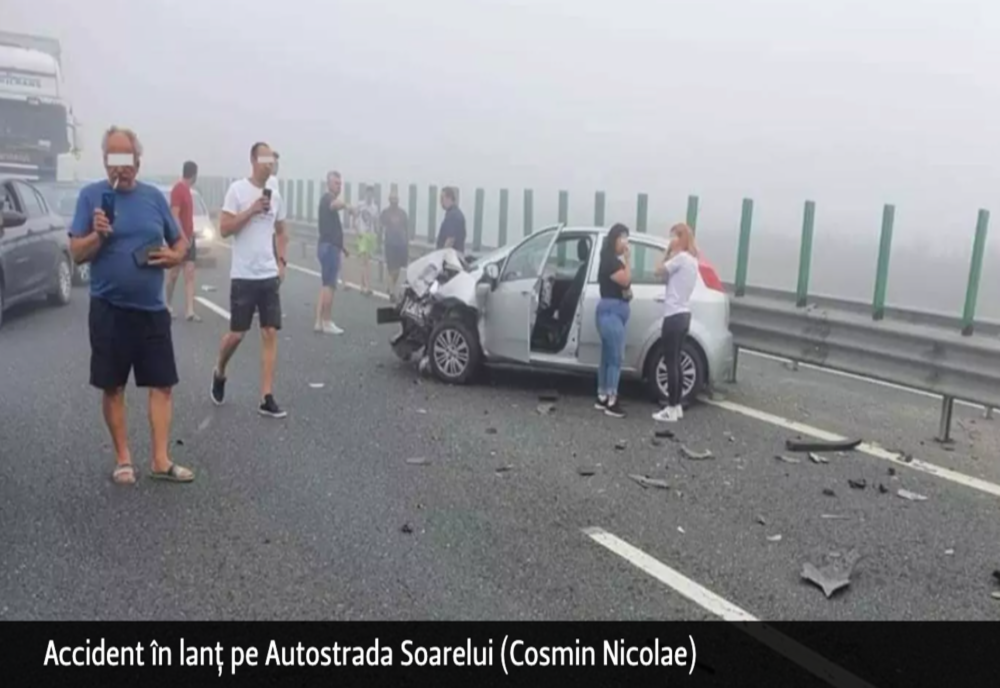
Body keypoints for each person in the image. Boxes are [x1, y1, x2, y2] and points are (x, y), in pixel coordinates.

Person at [68, 125, 194, 485]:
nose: (119, 168)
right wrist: (99, 235)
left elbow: (181, 242)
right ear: (105, 161)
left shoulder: (154, 197)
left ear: (137, 162)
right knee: (113, 386)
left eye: (126, 160)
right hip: (108, 308)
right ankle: (124, 458)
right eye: (112, 159)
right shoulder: (90, 197)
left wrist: (173, 256)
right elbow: (76, 254)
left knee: (163, 384)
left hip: (152, 310)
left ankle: (160, 459)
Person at [211, 142, 289, 418]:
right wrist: (252, 210)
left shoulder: (276, 196)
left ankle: (266, 396)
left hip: (268, 274)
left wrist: (281, 261)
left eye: (273, 160)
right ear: (254, 160)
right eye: (265, 159)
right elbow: (224, 229)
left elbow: (281, 231)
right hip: (243, 275)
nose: (270, 164)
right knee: (238, 334)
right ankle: (220, 369)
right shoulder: (237, 191)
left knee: (270, 332)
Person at [652, 223, 699, 423]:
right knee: (676, 362)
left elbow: (658, 271)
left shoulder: (679, 258)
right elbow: (669, 279)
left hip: (673, 316)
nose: (671, 241)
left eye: (673, 237)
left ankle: (670, 408)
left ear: (680, 238)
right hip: (684, 315)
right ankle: (677, 405)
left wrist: (666, 252)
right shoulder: (692, 261)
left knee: (670, 362)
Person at [595, 223, 632, 418]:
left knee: (608, 356)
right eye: (622, 238)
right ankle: (612, 398)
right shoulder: (611, 261)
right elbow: (626, 281)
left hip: (613, 310)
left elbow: (625, 289)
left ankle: (602, 395)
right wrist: (628, 259)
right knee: (616, 357)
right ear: (614, 239)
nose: (625, 242)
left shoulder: (610, 260)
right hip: (611, 311)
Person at [165, 160, 201, 321]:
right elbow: (174, 215)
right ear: (194, 175)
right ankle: (166, 303)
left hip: (190, 237)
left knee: (190, 273)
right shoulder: (178, 190)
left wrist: (191, 236)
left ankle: (190, 310)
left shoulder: (189, 191)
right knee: (173, 274)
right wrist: (182, 238)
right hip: (179, 239)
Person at [315, 171, 348, 334]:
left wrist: (342, 247)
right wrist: (347, 205)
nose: (339, 186)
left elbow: (332, 228)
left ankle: (319, 321)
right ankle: (327, 321)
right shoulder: (328, 198)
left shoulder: (327, 199)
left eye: (340, 183)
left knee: (325, 284)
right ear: (328, 184)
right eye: (336, 183)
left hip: (329, 246)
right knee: (329, 285)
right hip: (329, 248)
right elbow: (335, 204)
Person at [381, 188, 410, 302]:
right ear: (389, 200)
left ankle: (390, 286)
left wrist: (407, 243)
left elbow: (407, 229)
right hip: (390, 244)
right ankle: (392, 293)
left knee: (397, 270)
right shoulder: (385, 213)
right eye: (392, 199)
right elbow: (380, 227)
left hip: (401, 244)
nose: (394, 201)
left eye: (396, 199)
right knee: (391, 269)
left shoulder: (402, 213)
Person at [353, 184, 379, 295]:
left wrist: (377, 235)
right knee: (364, 261)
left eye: (371, 193)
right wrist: (356, 231)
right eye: (368, 193)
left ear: (373, 195)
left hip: (371, 236)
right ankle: (366, 287)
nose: (369, 195)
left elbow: (376, 222)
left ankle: (363, 285)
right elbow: (354, 217)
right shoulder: (360, 205)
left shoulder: (374, 207)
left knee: (367, 261)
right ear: (365, 194)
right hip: (362, 235)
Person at [435, 186, 466, 254]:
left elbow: (450, 239)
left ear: (448, 198)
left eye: (442, 198)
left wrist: (442, 256)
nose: (440, 201)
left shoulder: (452, 216)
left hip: (451, 257)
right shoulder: (457, 213)